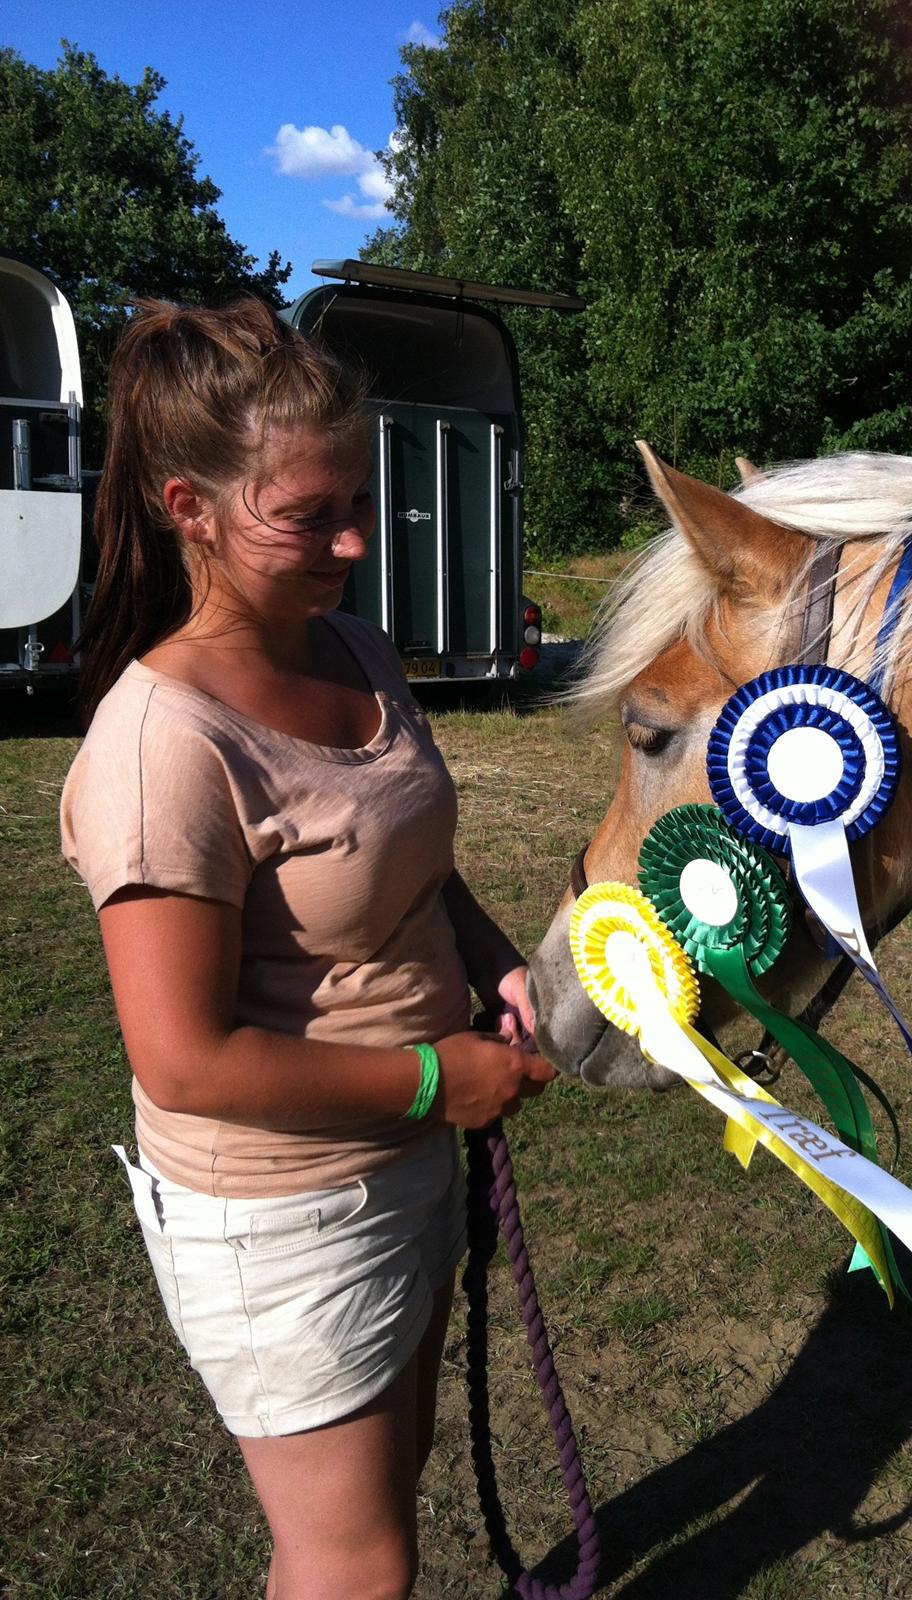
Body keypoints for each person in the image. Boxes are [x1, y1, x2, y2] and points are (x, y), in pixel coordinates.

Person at [60, 297, 556, 1600]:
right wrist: (446, 1079)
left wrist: (498, 967)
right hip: (282, 1212)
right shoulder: (164, 742)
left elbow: (413, 879)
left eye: (359, 500)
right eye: (307, 516)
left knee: (384, 1498)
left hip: (404, 1163)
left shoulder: (356, 646)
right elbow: (185, 1061)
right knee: (357, 1567)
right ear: (191, 507)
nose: (351, 541)